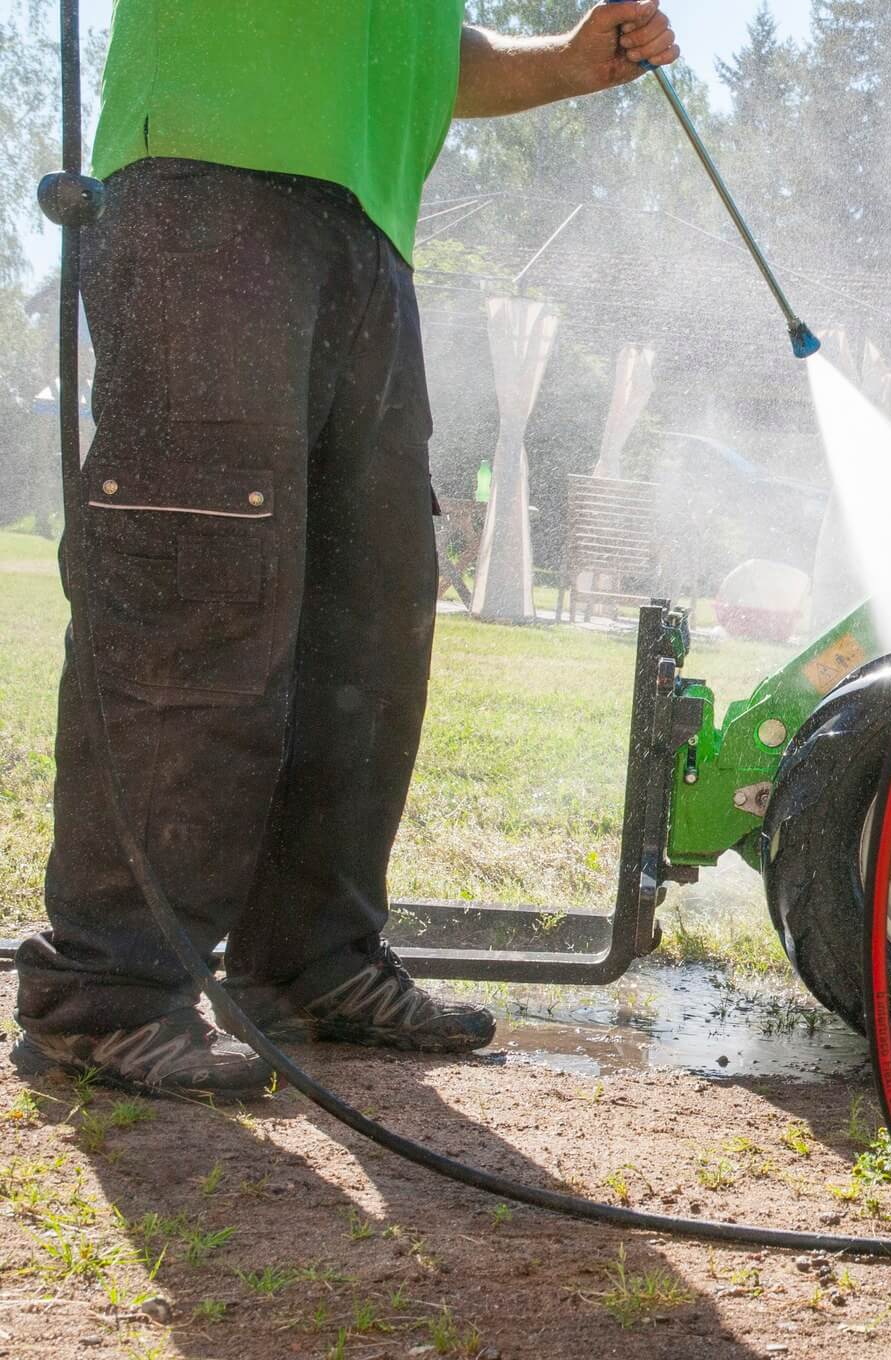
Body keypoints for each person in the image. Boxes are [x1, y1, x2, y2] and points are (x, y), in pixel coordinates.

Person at [12, 3, 679, 1096]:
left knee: (367, 617)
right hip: (208, 183)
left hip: (371, 234)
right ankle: (108, 992)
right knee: (201, 588)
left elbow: (420, 49)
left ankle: (310, 960)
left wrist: (563, 63)